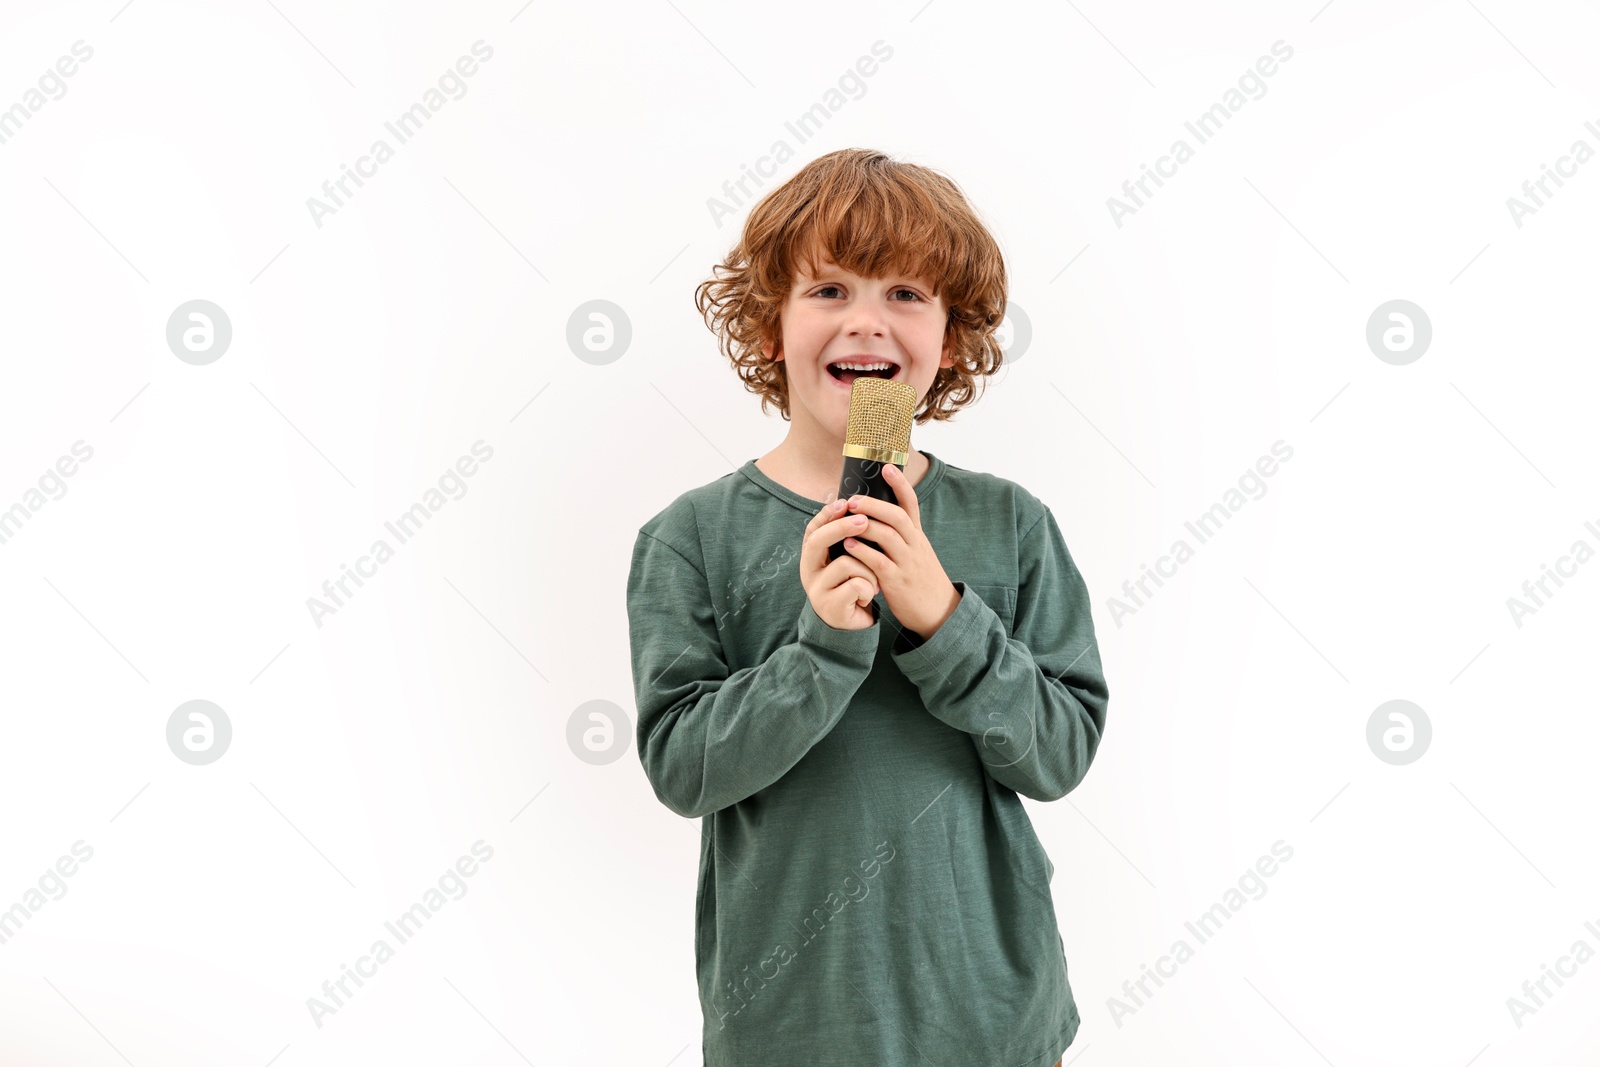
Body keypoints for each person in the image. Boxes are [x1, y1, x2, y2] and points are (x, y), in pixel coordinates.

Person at [624, 147, 1108, 1067]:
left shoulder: (1010, 523)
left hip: (992, 1019)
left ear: (951, 341)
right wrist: (823, 649)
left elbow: (1060, 754)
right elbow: (684, 769)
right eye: (830, 290)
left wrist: (945, 619)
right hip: (790, 1027)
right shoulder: (689, 536)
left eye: (907, 294)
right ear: (770, 327)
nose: (868, 323)